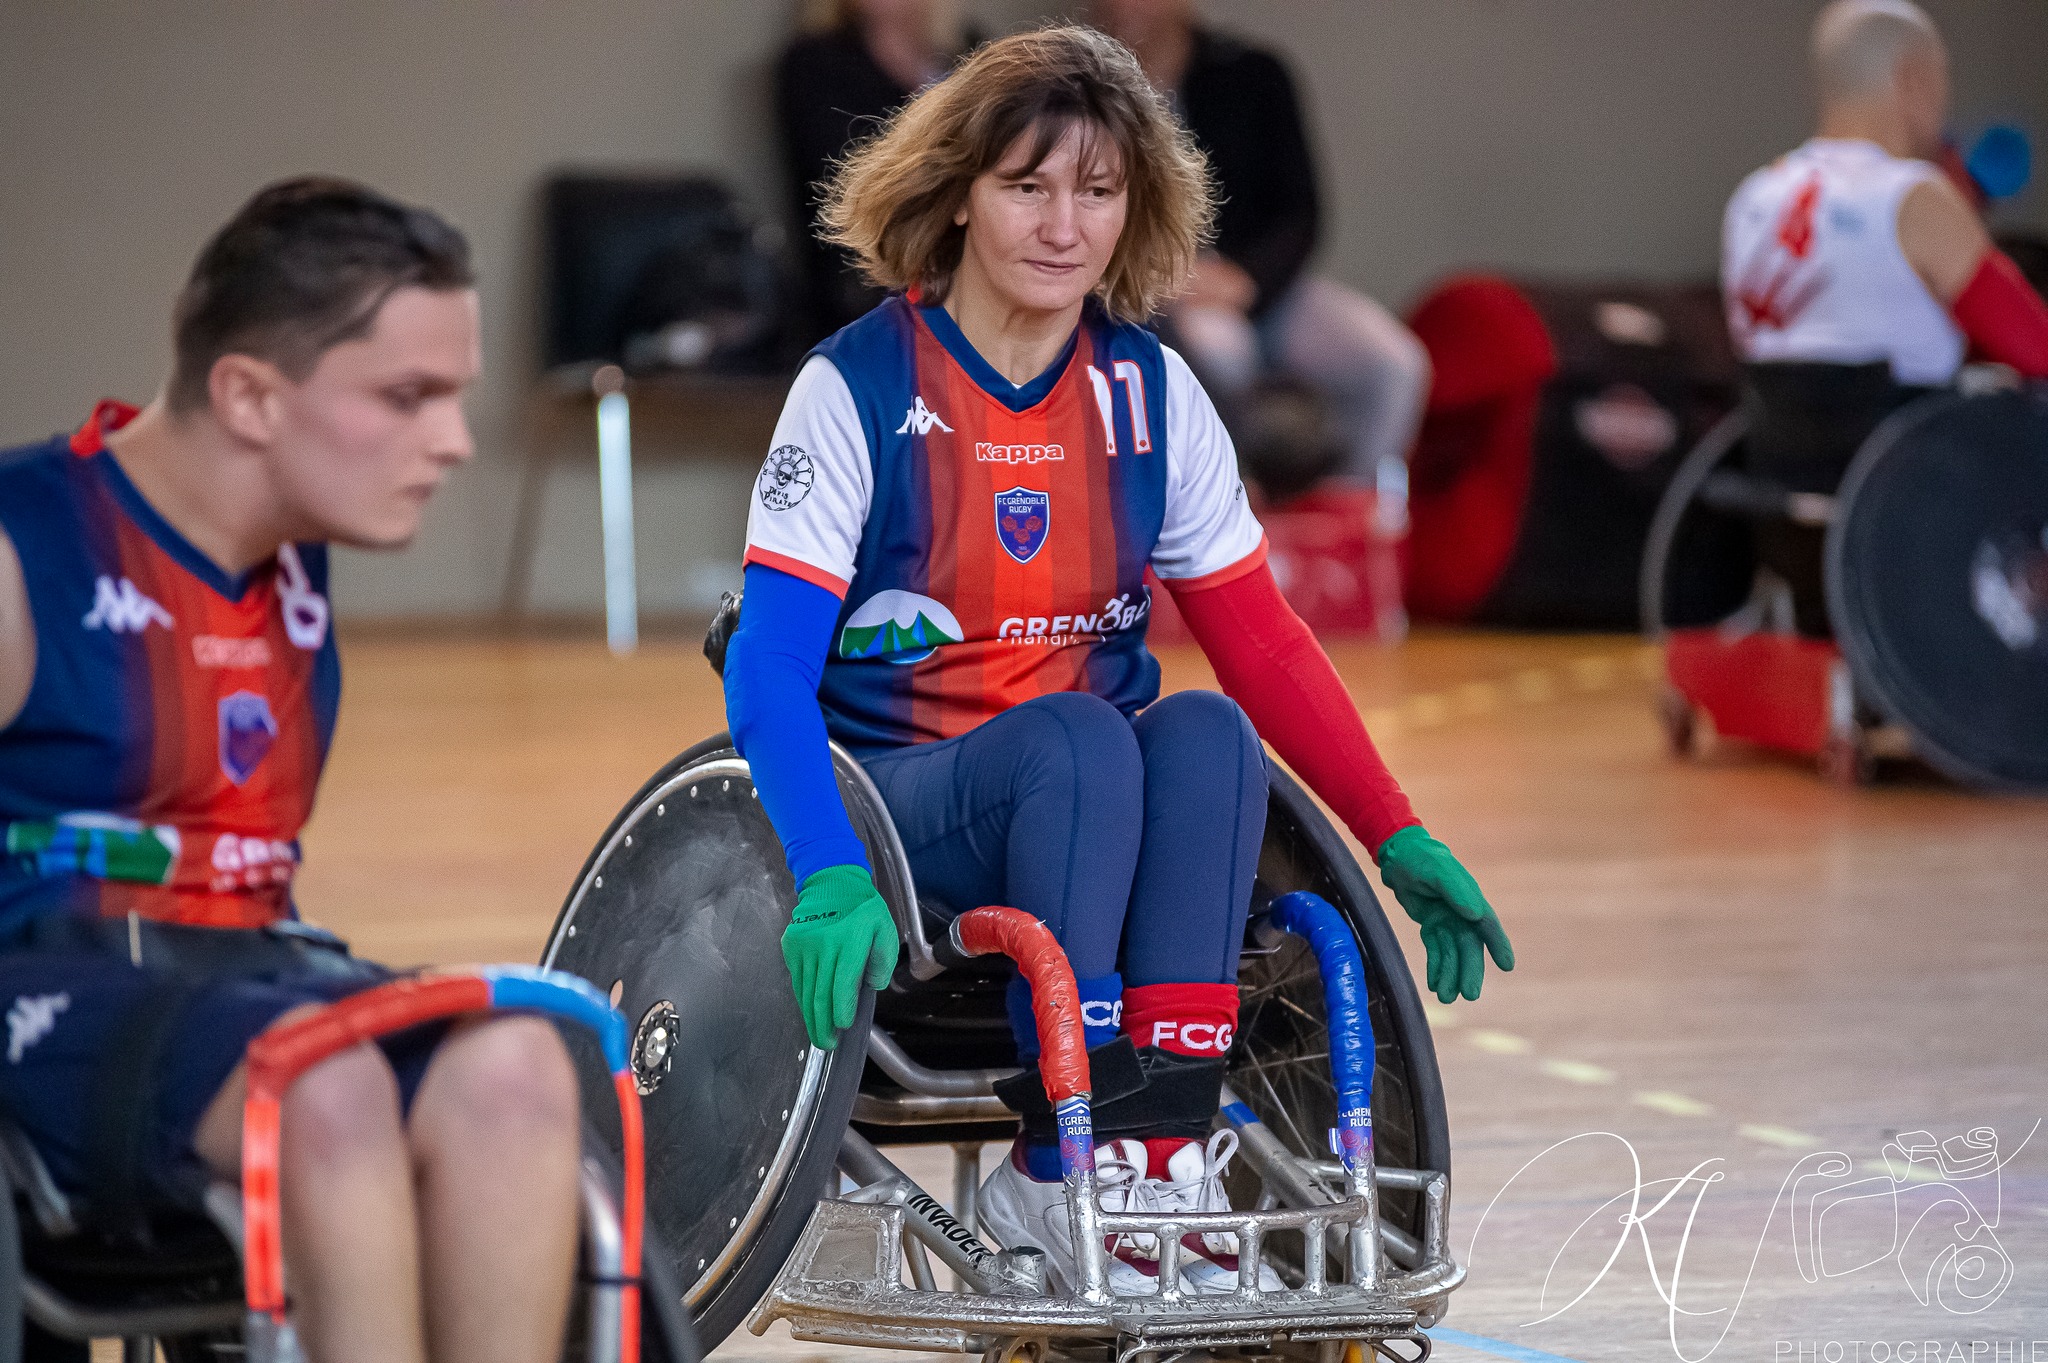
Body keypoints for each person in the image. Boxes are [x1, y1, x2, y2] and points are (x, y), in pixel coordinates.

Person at [723, 27, 1511, 1297]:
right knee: (1078, 740)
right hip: (903, 802)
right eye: (1024, 185)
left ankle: (1158, 1156)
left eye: (1096, 191)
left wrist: (1394, 830)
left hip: (1083, 788)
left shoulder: (1148, 389)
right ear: (957, 193)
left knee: (1202, 731)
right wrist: (822, 871)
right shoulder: (855, 385)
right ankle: (1053, 1170)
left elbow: (1259, 638)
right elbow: (763, 672)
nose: (1060, 224)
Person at [0, 179, 581, 1363]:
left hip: (240, 975)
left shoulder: (293, 551)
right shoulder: (24, 550)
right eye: (408, 397)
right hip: (41, 989)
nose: (457, 442)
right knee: (327, 1088)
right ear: (250, 397)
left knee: (519, 1062)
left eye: (455, 395)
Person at [1722, 0, 2048, 634]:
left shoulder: (1752, 199)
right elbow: (2033, 345)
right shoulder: (1915, 197)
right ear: (1915, 77)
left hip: (1789, 505)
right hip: (1916, 506)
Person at [1091, 0, 1431, 516]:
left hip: (1260, 284)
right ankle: (1234, 525)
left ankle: (1346, 533)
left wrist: (1246, 280)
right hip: (1152, 293)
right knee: (1221, 352)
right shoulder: (1079, 88)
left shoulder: (1250, 74)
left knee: (1395, 364)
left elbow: (1301, 212)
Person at [775, 0, 971, 342]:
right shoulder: (815, 61)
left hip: (969, 277)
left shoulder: (970, 50)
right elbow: (844, 177)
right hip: (860, 286)